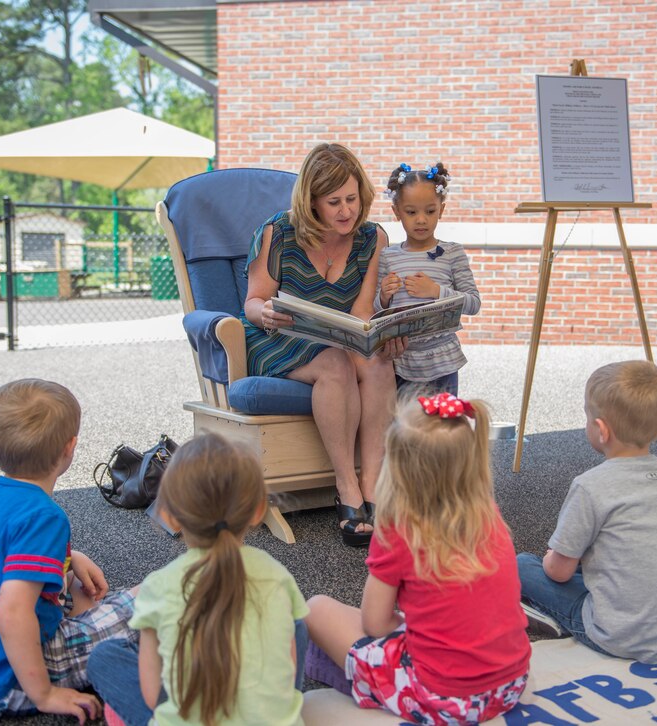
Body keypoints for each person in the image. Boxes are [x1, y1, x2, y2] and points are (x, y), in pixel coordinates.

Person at [305, 394, 530, 724]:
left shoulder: (398, 531)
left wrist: (405, 626)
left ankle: (360, 683)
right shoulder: (490, 516)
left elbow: (375, 624)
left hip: (443, 698)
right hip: (510, 685)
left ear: (397, 470)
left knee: (317, 608)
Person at [0, 379, 136, 723]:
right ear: (70, 447)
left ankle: (85, 628)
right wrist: (45, 694)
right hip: (5, 683)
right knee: (154, 599)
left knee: (75, 585)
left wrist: (72, 562)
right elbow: (11, 612)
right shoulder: (44, 516)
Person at [87, 433, 309, 726]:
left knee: (104, 657)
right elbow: (289, 674)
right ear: (257, 511)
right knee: (297, 622)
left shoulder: (158, 587)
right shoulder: (277, 576)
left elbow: (154, 696)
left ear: (169, 515)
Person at [242, 142, 400, 546]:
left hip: (339, 337)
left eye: (352, 199)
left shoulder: (372, 238)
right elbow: (253, 302)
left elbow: (363, 311)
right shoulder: (278, 233)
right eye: (334, 202)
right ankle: (346, 487)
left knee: (379, 363)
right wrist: (265, 314)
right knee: (335, 365)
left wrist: (378, 335)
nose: (346, 210)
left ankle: (373, 488)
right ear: (311, 202)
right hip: (280, 339)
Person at [518, 361, 657, 663]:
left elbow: (558, 571)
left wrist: (553, 557)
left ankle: (550, 617)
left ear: (601, 430)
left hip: (619, 635)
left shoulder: (590, 486)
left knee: (523, 565)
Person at [376, 162, 481, 396]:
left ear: (441, 210)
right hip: (402, 361)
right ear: (397, 212)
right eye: (411, 212)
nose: (421, 220)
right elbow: (376, 313)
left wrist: (435, 291)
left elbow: (474, 303)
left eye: (430, 211)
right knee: (405, 427)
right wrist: (383, 297)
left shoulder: (452, 253)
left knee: (441, 428)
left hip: (442, 360)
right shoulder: (388, 256)